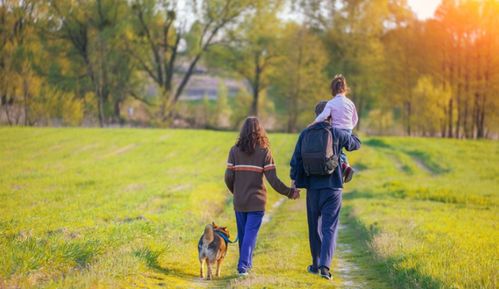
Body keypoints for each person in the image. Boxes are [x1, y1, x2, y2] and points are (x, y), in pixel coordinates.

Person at [291, 101, 361, 280]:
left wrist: (295, 183)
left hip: (313, 189)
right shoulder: (336, 132)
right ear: (332, 115)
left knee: (314, 227)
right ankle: (324, 267)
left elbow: (296, 160)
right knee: (329, 228)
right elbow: (356, 144)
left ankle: (315, 264)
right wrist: (347, 126)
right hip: (333, 188)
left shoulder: (306, 133)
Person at [224, 116, 300, 276]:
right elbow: (273, 179)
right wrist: (289, 191)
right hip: (257, 202)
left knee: (245, 235)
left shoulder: (234, 151)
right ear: (260, 131)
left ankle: (246, 266)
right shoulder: (264, 151)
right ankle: (243, 267)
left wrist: (236, 192)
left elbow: (228, 178)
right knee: (249, 235)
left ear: (243, 131)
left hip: (240, 201)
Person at [308, 74, 358, 183]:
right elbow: (355, 118)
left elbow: (323, 116)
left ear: (332, 89)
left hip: (335, 131)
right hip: (348, 131)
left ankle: (344, 167)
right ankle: (346, 166)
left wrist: (313, 123)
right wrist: (350, 128)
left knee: (335, 152)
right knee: (340, 151)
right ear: (345, 88)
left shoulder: (331, 103)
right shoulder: (350, 103)